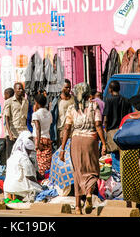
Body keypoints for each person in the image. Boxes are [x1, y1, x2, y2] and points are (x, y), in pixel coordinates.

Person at [59, 82, 107, 215]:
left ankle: (78, 206)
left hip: (76, 141)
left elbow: (67, 128)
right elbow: (98, 125)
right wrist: (103, 143)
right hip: (91, 140)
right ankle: (89, 193)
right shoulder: (94, 106)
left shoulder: (71, 108)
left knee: (78, 171)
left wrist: (62, 149)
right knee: (92, 170)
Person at [119, 94, 140, 211]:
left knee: (127, 179)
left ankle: (128, 205)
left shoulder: (126, 118)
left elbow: (119, 137)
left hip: (126, 152)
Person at [3, 130, 42, 202]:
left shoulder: (12, 156)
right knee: (40, 190)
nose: (30, 152)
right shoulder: (24, 158)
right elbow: (29, 175)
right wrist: (39, 185)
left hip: (7, 188)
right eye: (29, 151)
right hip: (18, 188)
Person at [103, 80, 132, 173]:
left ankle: (118, 178)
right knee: (124, 155)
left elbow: (106, 119)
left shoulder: (108, 100)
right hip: (124, 131)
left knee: (115, 156)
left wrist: (106, 130)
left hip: (112, 132)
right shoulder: (126, 101)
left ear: (110, 90)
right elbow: (130, 117)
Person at [3, 83, 29, 162]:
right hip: (13, 133)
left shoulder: (25, 101)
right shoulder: (9, 102)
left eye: (22, 89)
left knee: (22, 155)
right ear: (15, 90)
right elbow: (6, 118)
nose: (21, 90)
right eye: (19, 89)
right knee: (11, 155)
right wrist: (9, 132)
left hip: (23, 132)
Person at [32, 93, 53, 178]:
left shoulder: (36, 114)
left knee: (40, 162)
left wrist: (37, 142)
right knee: (47, 161)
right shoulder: (49, 113)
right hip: (47, 138)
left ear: (37, 103)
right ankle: (47, 178)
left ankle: (42, 179)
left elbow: (38, 128)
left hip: (39, 138)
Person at [51, 79, 75, 149]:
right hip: (62, 131)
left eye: (69, 87)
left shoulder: (74, 99)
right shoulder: (56, 101)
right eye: (66, 87)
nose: (68, 89)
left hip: (73, 130)